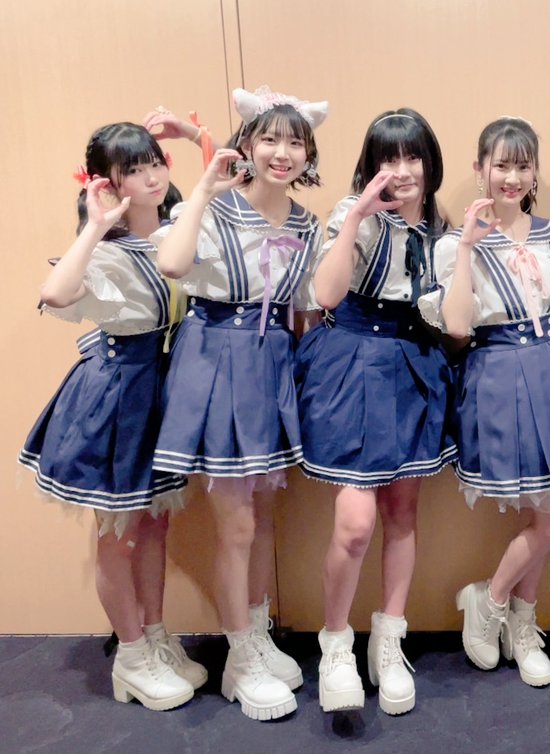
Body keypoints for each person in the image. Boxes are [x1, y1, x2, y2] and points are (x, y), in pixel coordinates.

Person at [153, 85, 328, 721]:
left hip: (273, 361)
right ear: (247, 145)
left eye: (295, 142)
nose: (282, 153)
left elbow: (306, 310)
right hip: (217, 357)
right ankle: (239, 658)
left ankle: (253, 632)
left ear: (308, 154)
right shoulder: (215, 207)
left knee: (262, 514)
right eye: (270, 139)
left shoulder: (307, 224)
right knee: (237, 522)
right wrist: (202, 190)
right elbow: (172, 264)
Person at [19, 123, 205, 710]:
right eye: (133, 170)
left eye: (155, 163)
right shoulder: (106, 251)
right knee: (120, 533)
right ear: (108, 181)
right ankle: (130, 655)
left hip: (163, 392)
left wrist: (197, 133)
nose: (151, 177)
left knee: (155, 525)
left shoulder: (177, 231)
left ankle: (154, 635)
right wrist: (95, 225)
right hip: (117, 398)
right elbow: (55, 294)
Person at [419, 117, 550, 687]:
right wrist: (468, 246)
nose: (512, 177)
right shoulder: (454, 242)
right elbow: (457, 325)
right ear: (480, 169)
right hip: (496, 372)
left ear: (535, 172)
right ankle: (504, 610)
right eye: (501, 165)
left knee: (549, 513)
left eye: (523, 166)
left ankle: (502, 609)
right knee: (547, 515)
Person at [295, 108, 453, 715]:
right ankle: (336, 644)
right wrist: (358, 215)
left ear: (430, 164)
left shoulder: (442, 230)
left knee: (403, 513)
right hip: (354, 361)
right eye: (389, 158)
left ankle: (390, 640)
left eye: (413, 156)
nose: (403, 170)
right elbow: (326, 294)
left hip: (414, 363)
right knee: (356, 524)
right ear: (371, 166)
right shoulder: (352, 215)